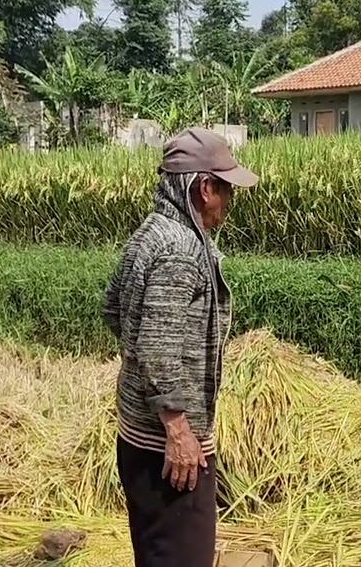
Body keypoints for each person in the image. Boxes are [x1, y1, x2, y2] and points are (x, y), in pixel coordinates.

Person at [101, 126, 258, 567]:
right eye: (226, 188)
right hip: (168, 450)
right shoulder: (181, 249)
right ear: (205, 187)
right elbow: (156, 344)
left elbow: (113, 310)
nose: (229, 200)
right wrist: (178, 430)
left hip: (138, 436)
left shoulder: (150, 232)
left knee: (156, 555)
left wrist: (140, 369)